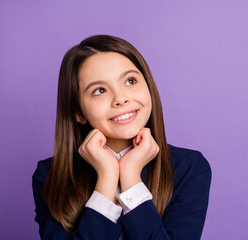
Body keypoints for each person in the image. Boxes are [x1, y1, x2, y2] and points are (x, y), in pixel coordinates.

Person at [32, 34, 212, 240]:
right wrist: (107, 178)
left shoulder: (189, 167)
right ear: (78, 112)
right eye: (99, 90)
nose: (121, 99)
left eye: (130, 81)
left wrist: (131, 177)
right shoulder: (50, 175)